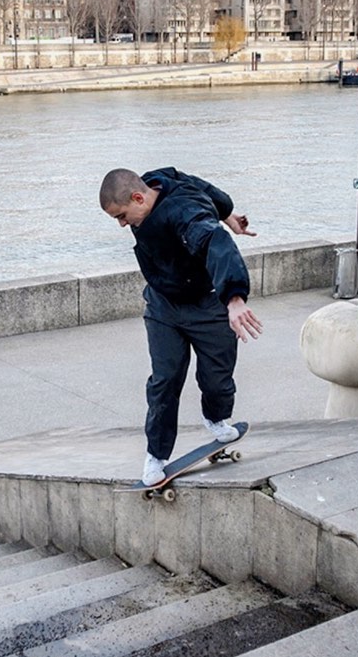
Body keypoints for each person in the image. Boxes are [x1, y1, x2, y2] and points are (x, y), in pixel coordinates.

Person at [99, 166, 263, 486]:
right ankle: (156, 454)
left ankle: (215, 418)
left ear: (138, 198)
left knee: (217, 379)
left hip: (208, 304)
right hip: (164, 305)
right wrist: (227, 212)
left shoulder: (185, 213)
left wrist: (234, 298)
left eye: (122, 216)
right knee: (165, 379)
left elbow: (215, 240)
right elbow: (195, 182)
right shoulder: (157, 180)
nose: (122, 225)